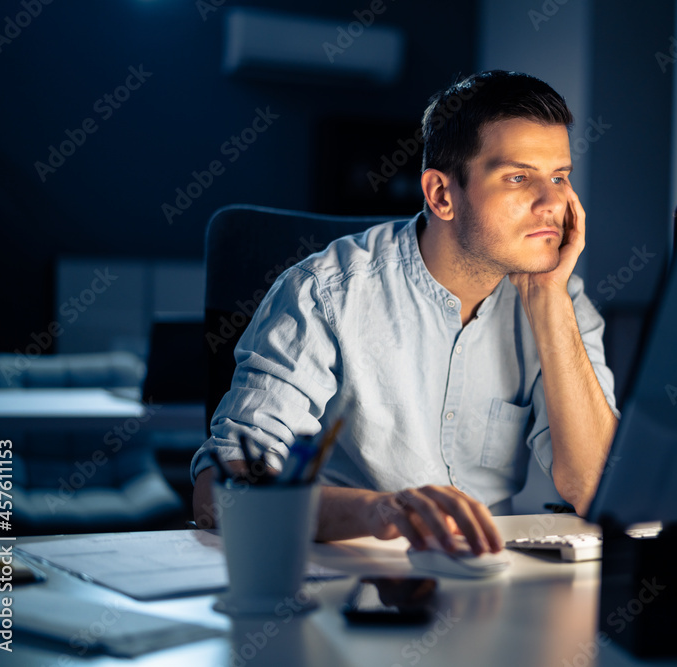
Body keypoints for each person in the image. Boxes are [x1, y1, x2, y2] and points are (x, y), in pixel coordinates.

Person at [191, 70, 619, 555]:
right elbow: (215, 494)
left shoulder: (562, 300)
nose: (552, 204)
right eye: (518, 177)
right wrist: (381, 512)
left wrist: (548, 301)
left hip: (491, 577)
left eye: (559, 177)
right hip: (345, 571)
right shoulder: (325, 293)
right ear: (441, 195)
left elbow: (595, 489)